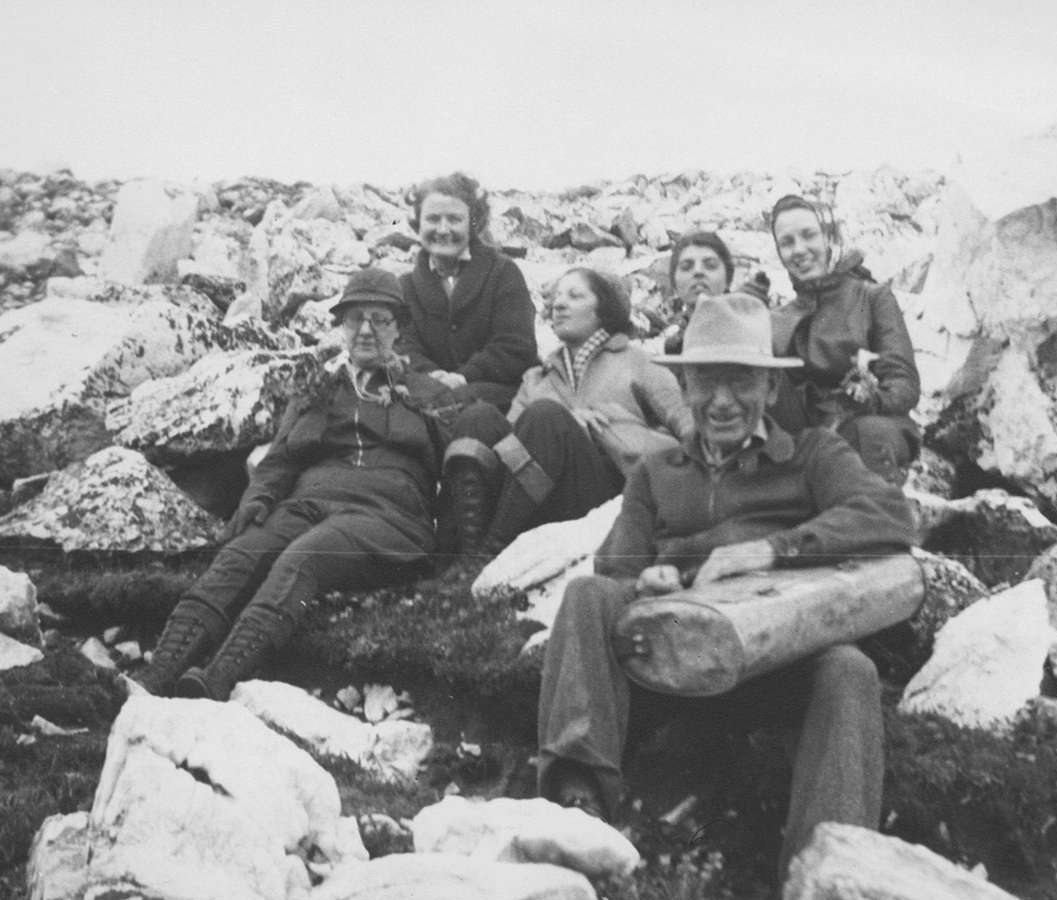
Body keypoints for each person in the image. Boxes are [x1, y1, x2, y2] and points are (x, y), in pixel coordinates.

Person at [534, 293, 915, 900]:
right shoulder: (657, 472)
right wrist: (655, 578)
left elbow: (892, 517)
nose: (722, 400)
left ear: (769, 386)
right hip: (670, 670)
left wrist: (772, 548)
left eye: (740, 381)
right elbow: (613, 571)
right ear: (686, 385)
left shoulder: (813, 454)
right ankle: (578, 802)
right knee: (585, 598)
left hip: (776, 672)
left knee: (848, 668)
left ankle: (826, 880)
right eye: (707, 381)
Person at [134, 268, 448, 700]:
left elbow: (465, 452)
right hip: (309, 504)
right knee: (241, 554)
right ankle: (157, 676)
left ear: (400, 328)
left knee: (304, 557)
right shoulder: (317, 388)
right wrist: (258, 498)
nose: (367, 330)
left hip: (387, 517)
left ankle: (216, 679)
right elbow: (280, 458)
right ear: (340, 326)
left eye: (381, 318)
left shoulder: (426, 391)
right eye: (355, 318)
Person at [441, 266, 693, 558]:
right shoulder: (536, 377)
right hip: (532, 496)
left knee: (546, 416)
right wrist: (565, 422)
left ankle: (489, 553)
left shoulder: (639, 362)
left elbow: (684, 421)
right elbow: (509, 452)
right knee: (478, 418)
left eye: (574, 296)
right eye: (556, 297)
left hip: (603, 494)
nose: (558, 304)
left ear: (603, 311)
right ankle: (467, 554)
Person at [768, 193, 921, 485]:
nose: (799, 250)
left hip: (873, 424)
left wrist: (868, 400)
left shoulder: (872, 297)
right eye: (786, 243)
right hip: (807, 431)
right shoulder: (780, 318)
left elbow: (904, 384)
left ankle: (877, 520)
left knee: (865, 436)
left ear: (829, 237)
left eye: (808, 235)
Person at [397, 171, 537, 414]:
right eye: (432, 219)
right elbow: (402, 347)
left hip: (498, 402)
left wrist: (464, 377)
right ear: (418, 224)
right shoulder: (405, 286)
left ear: (473, 224)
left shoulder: (503, 273)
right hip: (430, 394)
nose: (442, 229)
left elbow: (516, 347)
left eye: (454, 219)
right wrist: (433, 377)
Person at [660, 231, 734, 353]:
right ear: (674, 285)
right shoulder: (674, 347)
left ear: (728, 279)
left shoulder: (752, 337)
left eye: (710, 265)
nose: (698, 271)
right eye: (686, 267)